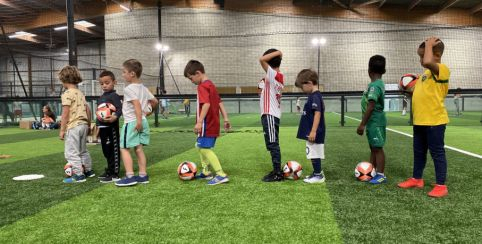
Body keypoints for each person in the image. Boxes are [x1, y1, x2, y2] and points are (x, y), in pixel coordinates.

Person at [398, 37, 450, 198]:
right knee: (419, 152)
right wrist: (406, 90)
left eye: (423, 55)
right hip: (420, 121)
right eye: (420, 57)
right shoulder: (425, 75)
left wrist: (428, 44)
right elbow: (419, 92)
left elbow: (428, 62)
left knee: (437, 153)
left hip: (435, 121)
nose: (421, 60)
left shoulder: (442, 69)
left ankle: (441, 185)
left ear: (437, 54)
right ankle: (417, 178)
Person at [184, 60, 231, 185]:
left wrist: (199, 122)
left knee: (204, 148)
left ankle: (221, 174)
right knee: (199, 146)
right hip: (213, 122)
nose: (191, 81)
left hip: (206, 123)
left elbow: (206, 104)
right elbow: (220, 102)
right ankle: (206, 172)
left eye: (191, 78)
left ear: (198, 73)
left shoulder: (202, 86)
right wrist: (226, 119)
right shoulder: (211, 85)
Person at [115, 59, 158, 187]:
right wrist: (147, 113)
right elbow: (155, 101)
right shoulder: (143, 88)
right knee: (138, 149)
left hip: (132, 122)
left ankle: (130, 176)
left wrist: (138, 121)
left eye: (124, 72)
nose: (123, 75)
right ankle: (143, 175)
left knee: (124, 148)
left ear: (132, 73)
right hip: (143, 121)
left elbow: (137, 105)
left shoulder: (129, 89)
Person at [58, 65, 94, 183]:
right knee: (83, 150)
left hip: (73, 126)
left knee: (71, 152)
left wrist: (62, 130)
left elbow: (65, 112)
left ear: (64, 80)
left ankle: (78, 175)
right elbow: (88, 110)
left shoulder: (67, 93)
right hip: (83, 124)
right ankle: (88, 171)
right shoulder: (80, 93)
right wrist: (88, 125)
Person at [357, 55, 387, 184]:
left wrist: (362, 124)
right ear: (384, 71)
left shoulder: (375, 86)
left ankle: (381, 174)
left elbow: (371, 106)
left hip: (375, 121)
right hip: (372, 122)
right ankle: (371, 170)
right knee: (373, 147)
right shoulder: (376, 84)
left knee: (378, 148)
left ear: (369, 70)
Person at [294, 69, 326, 184]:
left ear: (309, 83)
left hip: (314, 131)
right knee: (312, 151)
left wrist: (313, 131)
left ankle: (318, 175)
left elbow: (318, 113)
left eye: (302, 87)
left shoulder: (315, 96)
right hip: (311, 131)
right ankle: (316, 172)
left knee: (314, 152)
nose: (302, 90)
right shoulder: (313, 95)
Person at [258, 48, 285, 182]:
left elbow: (261, 59)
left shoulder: (273, 74)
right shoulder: (278, 76)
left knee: (273, 143)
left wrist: (279, 52)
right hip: (272, 115)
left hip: (270, 114)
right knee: (272, 143)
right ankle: (276, 170)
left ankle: (277, 173)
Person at [96, 70, 123, 183]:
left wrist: (115, 116)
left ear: (114, 82)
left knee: (113, 150)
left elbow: (120, 109)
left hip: (111, 128)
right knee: (106, 150)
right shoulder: (102, 97)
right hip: (102, 128)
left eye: (107, 83)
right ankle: (109, 170)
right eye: (102, 84)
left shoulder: (114, 96)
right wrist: (97, 126)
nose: (104, 85)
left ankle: (114, 173)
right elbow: (99, 112)